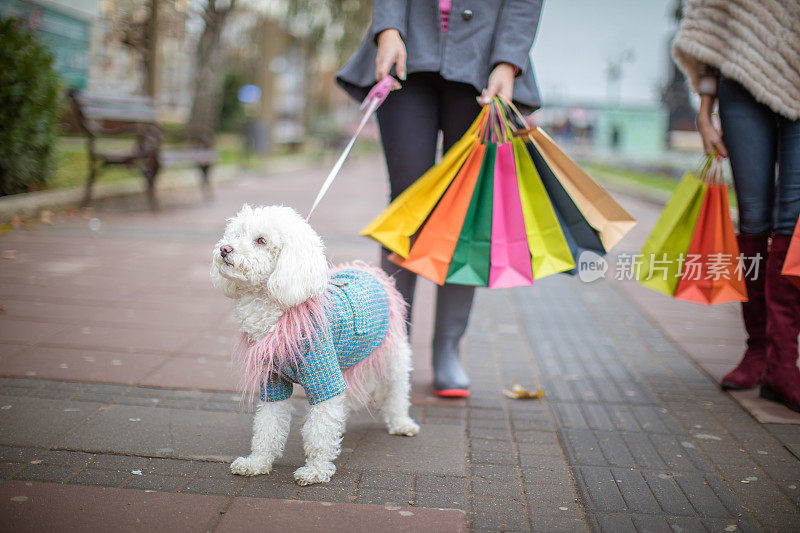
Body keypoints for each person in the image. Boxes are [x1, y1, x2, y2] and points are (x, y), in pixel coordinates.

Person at [337, 0, 544, 397]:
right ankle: (391, 347)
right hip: (406, 53)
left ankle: (448, 347)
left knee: (465, 210)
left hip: (485, 62)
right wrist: (388, 28)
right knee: (407, 206)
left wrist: (508, 60)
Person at [673, 0, 800, 410]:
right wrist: (705, 114)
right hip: (739, 87)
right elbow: (711, 29)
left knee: (791, 223)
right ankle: (757, 349)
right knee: (753, 221)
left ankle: (783, 363)